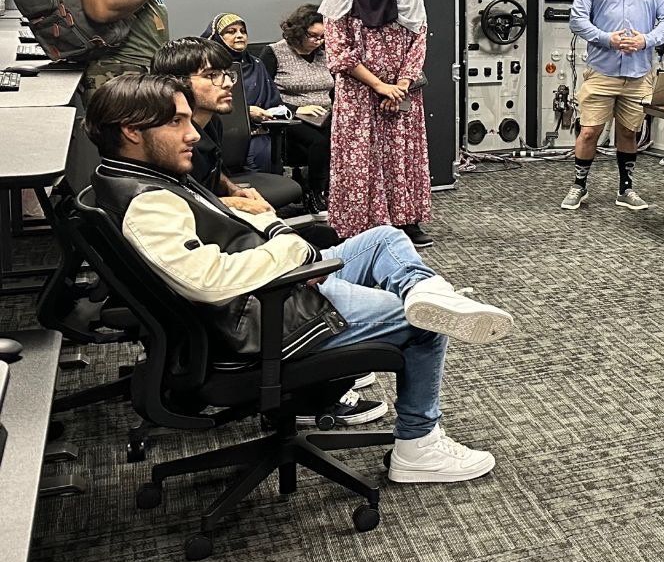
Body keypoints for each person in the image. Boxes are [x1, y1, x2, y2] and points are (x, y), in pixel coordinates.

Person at [83, 73, 509, 482]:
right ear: (132, 131)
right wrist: (285, 245)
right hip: (265, 316)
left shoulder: (135, 177)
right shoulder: (148, 204)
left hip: (267, 292)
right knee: (424, 322)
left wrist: (256, 222)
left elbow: (211, 239)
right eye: (176, 122)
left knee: (383, 239)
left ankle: (430, 289)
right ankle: (419, 445)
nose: (192, 133)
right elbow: (207, 281)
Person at [322, 0, 433, 247]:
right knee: (361, 158)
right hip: (358, 96)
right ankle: (360, 225)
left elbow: (418, 43)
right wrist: (379, 85)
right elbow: (339, 52)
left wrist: (400, 85)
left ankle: (406, 221)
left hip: (402, 92)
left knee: (403, 156)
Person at [560, 0, 664, 213]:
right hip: (602, 71)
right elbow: (577, 21)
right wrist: (607, 39)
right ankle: (579, 185)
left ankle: (626, 189)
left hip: (638, 74)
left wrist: (645, 40)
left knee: (628, 132)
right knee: (589, 131)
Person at [151, 37, 296, 215]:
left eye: (227, 74)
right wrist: (236, 203)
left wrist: (232, 189)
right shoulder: (167, 136)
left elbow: (211, 172)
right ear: (177, 82)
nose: (228, 83)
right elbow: (173, 204)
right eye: (211, 75)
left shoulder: (212, 122)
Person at [262, 5, 334, 203]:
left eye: (323, 37)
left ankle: (336, 190)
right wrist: (297, 109)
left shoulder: (324, 54)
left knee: (344, 135)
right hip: (290, 116)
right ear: (299, 31)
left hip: (325, 114)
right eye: (313, 36)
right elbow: (265, 95)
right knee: (319, 141)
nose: (318, 41)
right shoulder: (274, 52)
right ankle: (316, 193)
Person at [204, 12, 282, 172]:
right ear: (218, 37)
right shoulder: (208, 68)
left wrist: (273, 112)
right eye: (231, 31)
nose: (239, 35)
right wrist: (245, 112)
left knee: (265, 155)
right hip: (220, 132)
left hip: (259, 131)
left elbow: (273, 101)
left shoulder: (256, 64)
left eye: (243, 31)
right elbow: (203, 103)